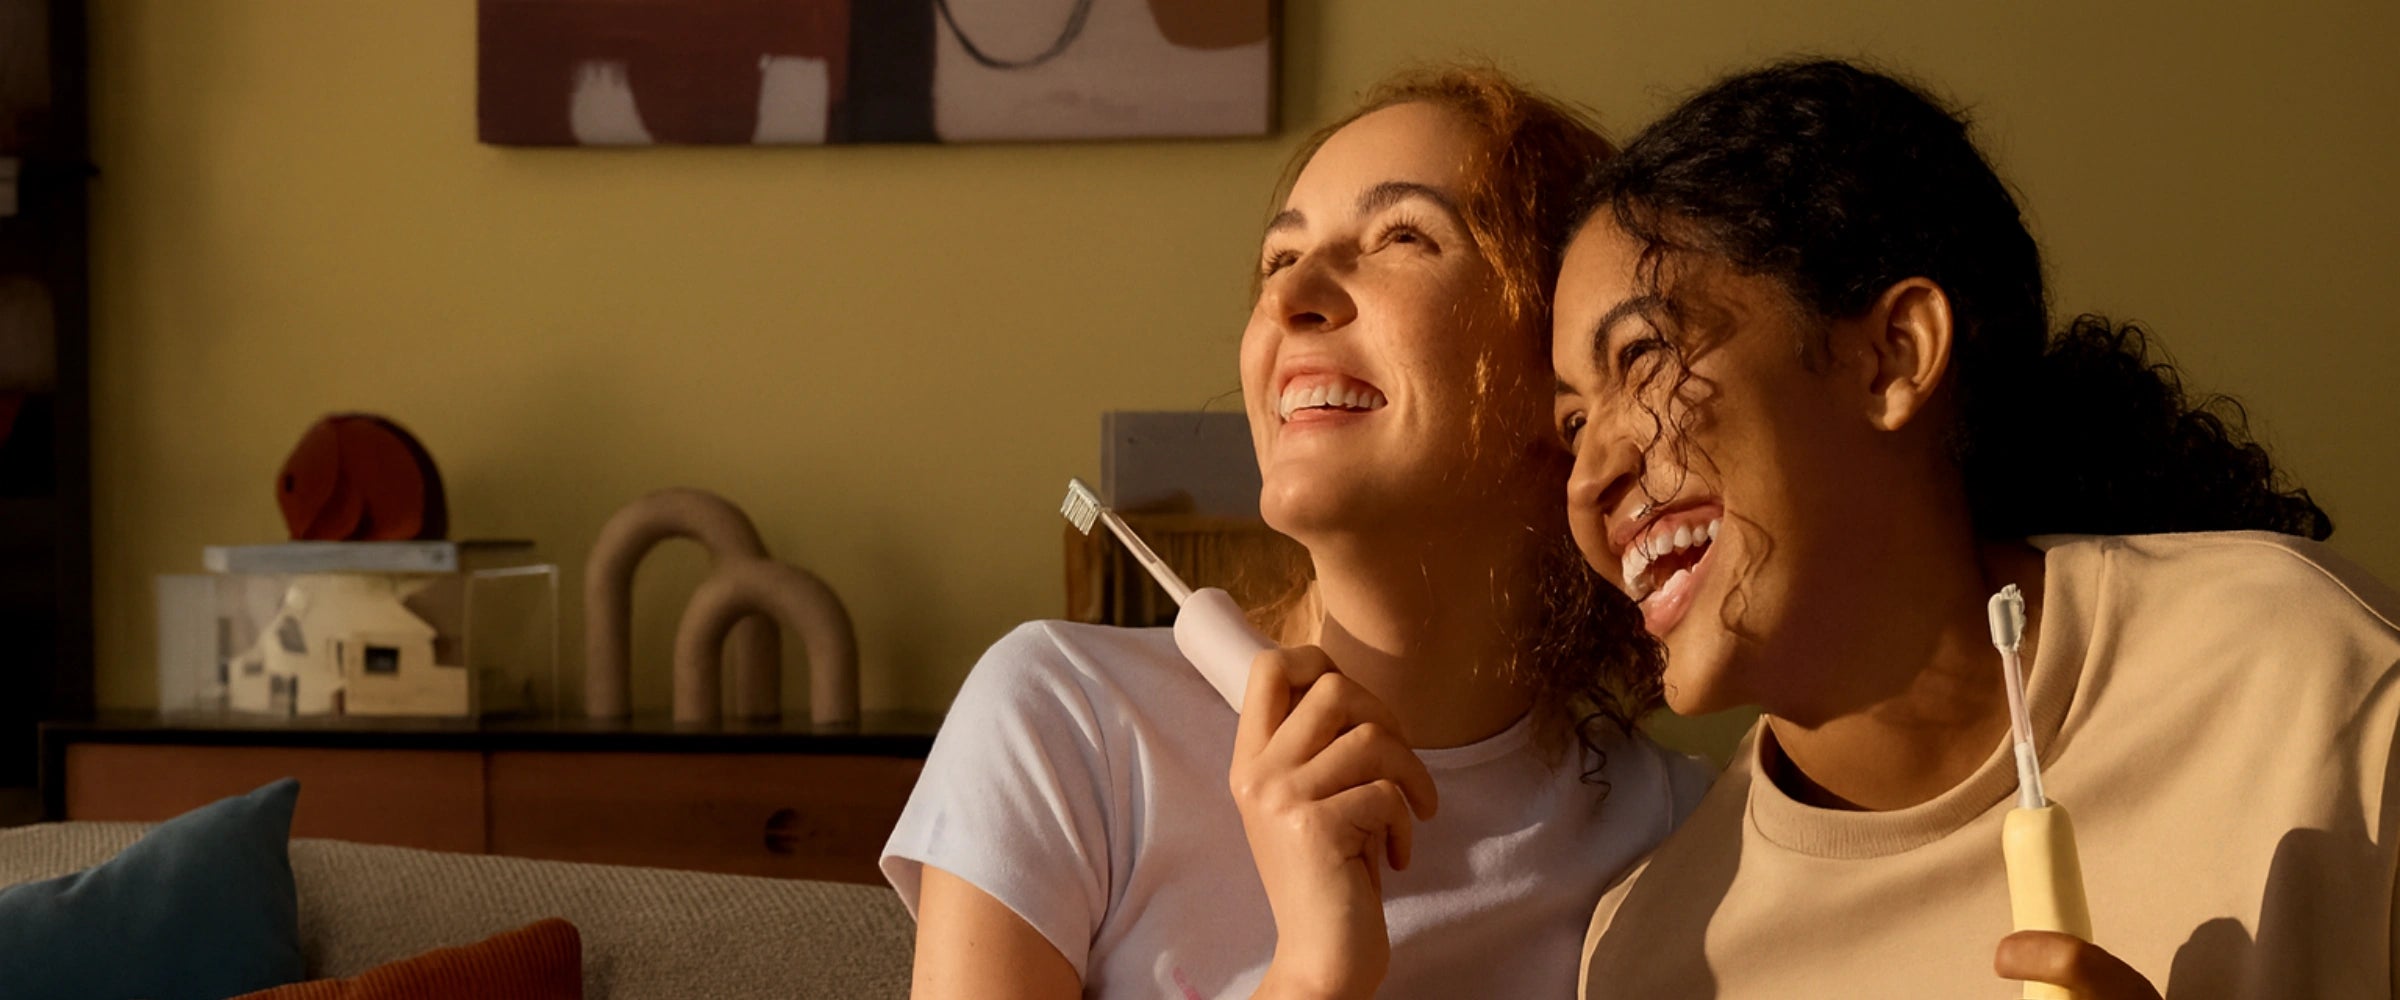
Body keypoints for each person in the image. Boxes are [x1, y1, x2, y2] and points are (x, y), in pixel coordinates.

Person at [1548, 58, 2400, 999]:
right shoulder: (1648, 959)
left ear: (1894, 358)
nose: (1591, 478)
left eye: (1642, 358)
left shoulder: (2311, 680)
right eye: (1574, 424)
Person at [883, 67, 1711, 1000]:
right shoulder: (1063, 722)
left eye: (1402, 237)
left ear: (1564, 370)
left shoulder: (1680, 838)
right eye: (1279, 260)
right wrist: (1316, 971)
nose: (1292, 297)